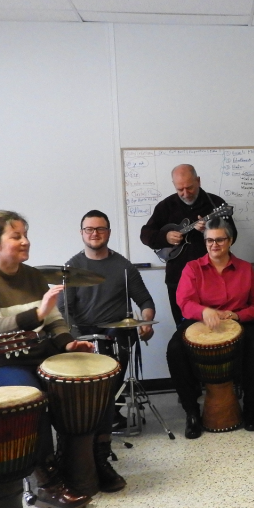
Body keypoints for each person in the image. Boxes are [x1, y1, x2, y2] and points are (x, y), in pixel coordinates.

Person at [0, 210, 95, 508]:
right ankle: (43, 482)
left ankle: (82, 467)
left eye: (25, 234)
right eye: (16, 236)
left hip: (34, 354)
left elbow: (55, 320)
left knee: (81, 383)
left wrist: (68, 342)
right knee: (31, 395)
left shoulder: (32, 275)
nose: (25, 241)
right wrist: (38, 313)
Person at [59, 209, 158, 489]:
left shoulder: (123, 267)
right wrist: (77, 339)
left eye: (100, 229)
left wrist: (147, 321)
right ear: (82, 233)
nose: (94, 234)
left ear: (108, 232)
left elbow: (145, 300)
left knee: (117, 346)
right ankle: (98, 420)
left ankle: (108, 412)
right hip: (83, 334)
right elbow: (63, 311)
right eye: (89, 229)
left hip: (117, 331)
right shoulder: (71, 268)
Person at [168, 217, 254, 438]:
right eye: (209, 241)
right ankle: (192, 412)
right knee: (175, 349)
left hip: (239, 322)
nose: (214, 245)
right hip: (200, 323)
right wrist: (204, 311)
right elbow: (184, 303)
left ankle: (251, 407)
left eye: (220, 240)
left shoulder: (245, 269)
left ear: (230, 240)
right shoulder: (192, 268)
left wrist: (237, 315)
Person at [139, 164, 227, 325]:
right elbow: (145, 235)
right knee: (183, 329)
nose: (185, 193)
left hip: (212, 277)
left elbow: (232, 235)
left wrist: (209, 231)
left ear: (198, 181)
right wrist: (165, 237)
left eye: (190, 187)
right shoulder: (165, 206)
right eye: (180, 189)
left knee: (215, 327)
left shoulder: (215, 204)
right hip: (177, 279)